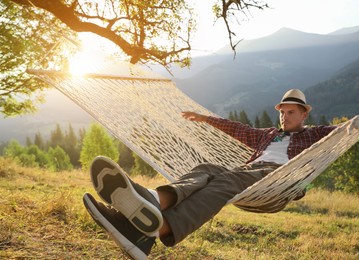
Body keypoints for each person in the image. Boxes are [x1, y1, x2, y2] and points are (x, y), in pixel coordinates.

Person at [83, 89, 336, 259]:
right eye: (282, 111)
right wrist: (205, 118)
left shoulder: (314, 135)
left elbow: (349, 130)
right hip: (249, 173)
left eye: (291, 112)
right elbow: (237, 129)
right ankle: (153, 204)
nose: (285, 116)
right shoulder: (268, 134)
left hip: (279, 181)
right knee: (208, 169)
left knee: (228, 179)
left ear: (304, 114)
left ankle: (158, 228)